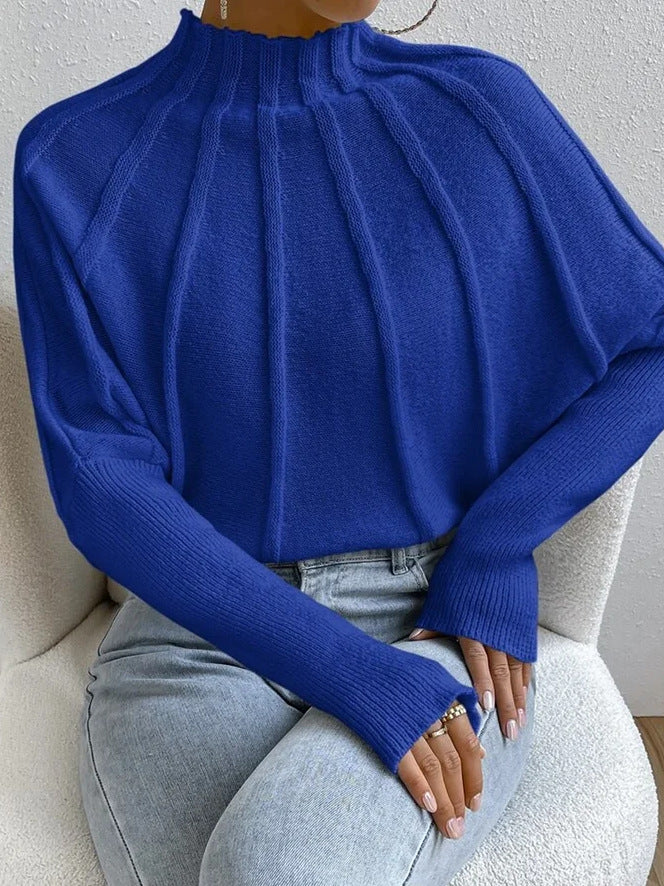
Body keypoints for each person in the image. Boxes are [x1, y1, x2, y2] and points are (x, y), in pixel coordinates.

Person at [11, 0, 664, 882]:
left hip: (433, 615)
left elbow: (652, 334)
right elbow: (100, 478)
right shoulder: (71, 158)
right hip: (197, 636)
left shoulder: (480, 110)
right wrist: (350, 674)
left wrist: (499, 541)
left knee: (272, 867)